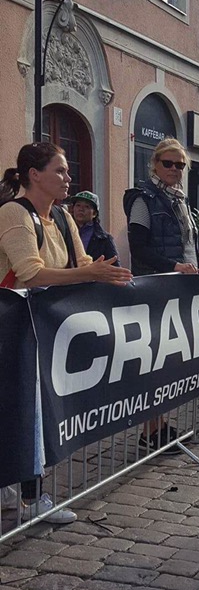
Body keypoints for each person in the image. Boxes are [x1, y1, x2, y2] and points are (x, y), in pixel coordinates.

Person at [0, 142, 131, 523]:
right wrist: (90, 273)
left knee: (33, 410)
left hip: (45, 331)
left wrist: (106, 273)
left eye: (68, 171)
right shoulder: (14, 212)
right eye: (59, 170)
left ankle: (15, 490)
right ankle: (30, 498)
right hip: (14, 331)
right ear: (34, 175)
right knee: (26, 411)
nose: (68, 177)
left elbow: (83, 262)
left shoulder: (61, 215)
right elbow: (30, 272)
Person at [125, 138, 199, 276]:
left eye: (180, 165)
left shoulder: (181, 200)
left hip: (187, 280)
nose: (174, 168)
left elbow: (186, 248)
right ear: (155, 164)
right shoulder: (143, 198)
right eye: (167, 163)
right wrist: (175, 267)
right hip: (158, 282)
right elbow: (138, 249)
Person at [68, 191, 119, 264]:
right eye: (78, 205)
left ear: (94, 213)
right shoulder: (63, 231)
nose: (81, 209)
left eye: (87, 207)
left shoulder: (104, 239)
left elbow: (115, 266)